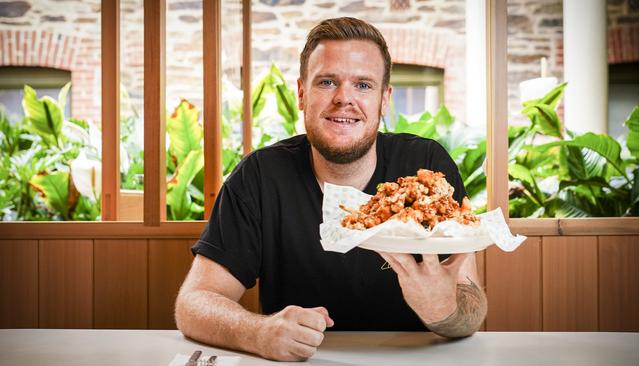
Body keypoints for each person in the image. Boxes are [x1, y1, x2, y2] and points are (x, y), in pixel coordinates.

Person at [175, 17, 488, 362]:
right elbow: (195, 301)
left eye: (364, 86)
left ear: (385, 100)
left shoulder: (427, 167)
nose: (344, 99)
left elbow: (470, 311)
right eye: (326, 82)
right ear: (301, 93)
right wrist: (258, 332)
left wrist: (444, 309)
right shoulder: (260, 176)